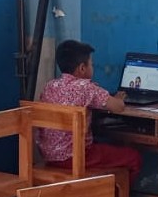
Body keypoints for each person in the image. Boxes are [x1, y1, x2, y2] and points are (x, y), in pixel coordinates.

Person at [38, 39, 142, 184]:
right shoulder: (86, 87)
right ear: (82, 68)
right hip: (76, 157)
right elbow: (118, 107)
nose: (92, 68)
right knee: (134, 157)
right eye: (91, 64)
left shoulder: (50, 86)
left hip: (49, 156)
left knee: (101, 144)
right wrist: (118, 98)